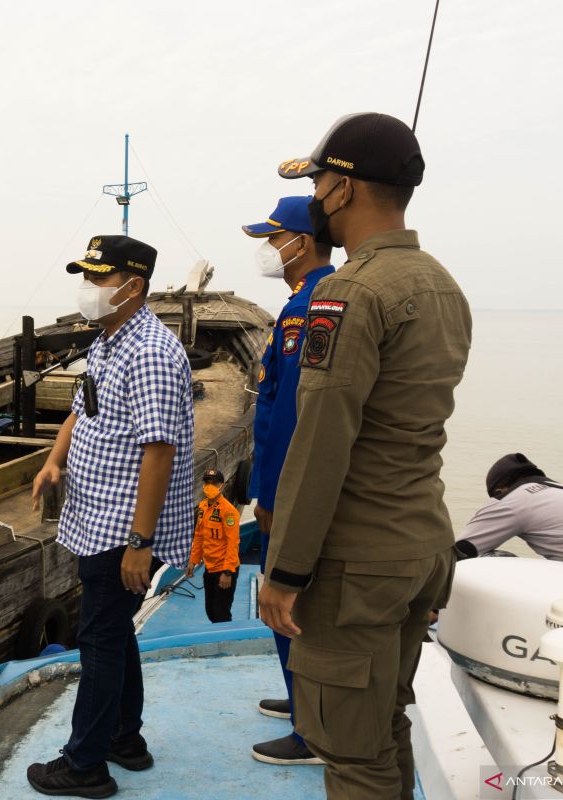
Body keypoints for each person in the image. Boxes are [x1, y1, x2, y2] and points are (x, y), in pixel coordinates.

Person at [259, 112, 471, 800]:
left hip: (355, 567)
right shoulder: (442, 284)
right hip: (421, 548)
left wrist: (285, 569)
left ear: (345, 189)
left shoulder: (349, 290)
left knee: (349, 751)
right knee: (382, 725)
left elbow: (323, 442)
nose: (317, 195)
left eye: (320, 180)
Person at [27, 235, 195, 798]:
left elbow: (160, 449)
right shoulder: (108, 342)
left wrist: (141, 542)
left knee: (98, 640)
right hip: (95, 517)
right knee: (114, 633)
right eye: (89, 278)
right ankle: (125, 739)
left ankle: (85, 765)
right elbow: (83, 408)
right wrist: (53, 461)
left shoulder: (150, 351)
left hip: (123, 528)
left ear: (133, 286)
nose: (89, 289)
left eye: (99, 279)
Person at [241, 196, 335, 766]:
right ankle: (303, 701)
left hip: (286, 487)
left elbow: (292, 417)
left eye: (276, 238)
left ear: (302, 240)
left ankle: (312, 730)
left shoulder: (309, 309)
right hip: (281, 480)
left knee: (290, 606)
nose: (270, 250)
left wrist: (271, 497)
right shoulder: (301, 300)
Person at [456, 453, 563, 561]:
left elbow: (460, 551)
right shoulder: (558, 488)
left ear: (499, 490)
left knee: (493, 559)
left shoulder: (510, 499)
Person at [185, 468, 240, 623]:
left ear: (221, 485)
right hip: (209, 568)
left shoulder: (229, 512)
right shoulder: (203, 507)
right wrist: (193, 560)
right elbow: (199, 535)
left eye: (214, 483)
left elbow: (233, 542)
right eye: (207, 482)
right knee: (210, 611)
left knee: (221, 614)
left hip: (224, 569)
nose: (209, 486)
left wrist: (228, 572)